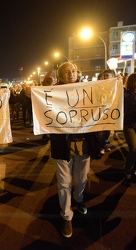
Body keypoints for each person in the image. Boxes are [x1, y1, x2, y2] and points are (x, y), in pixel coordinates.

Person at [49, 62, 94, 238]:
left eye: (74, 71)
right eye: (67, 72)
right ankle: (66, 215)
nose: (71, 74)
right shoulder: (51, 94)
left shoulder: (88, 90)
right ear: (60, 76)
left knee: (81, 179)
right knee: (64, 182)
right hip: (62, 144)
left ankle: (79, 198)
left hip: (83, 142)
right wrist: (31, 96)